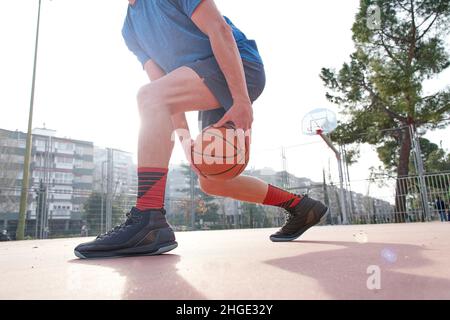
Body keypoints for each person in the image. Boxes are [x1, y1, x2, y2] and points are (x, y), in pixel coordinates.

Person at [74, 0, 327, 259]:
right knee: (211, 180)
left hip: (239, 66)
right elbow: (162, 87)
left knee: (148, 97)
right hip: (206, 78)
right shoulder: (130, 29)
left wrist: (241, 101)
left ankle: (148, 217)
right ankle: (301, 207)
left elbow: (219, 30)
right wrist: (187, 147)